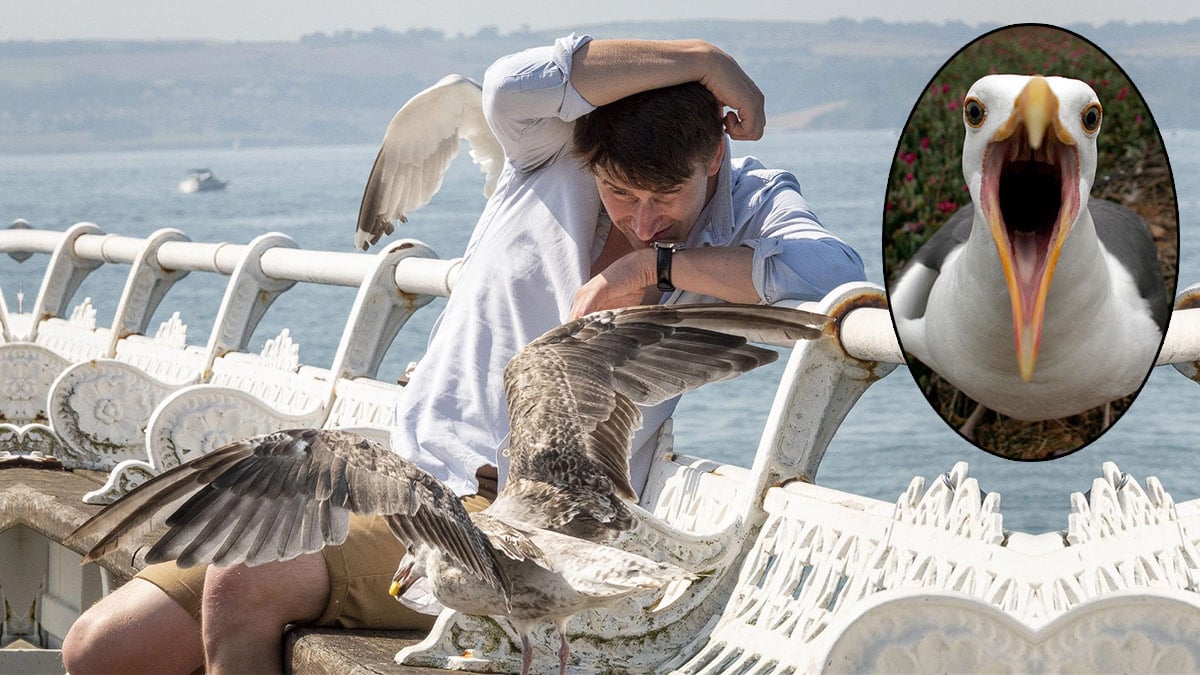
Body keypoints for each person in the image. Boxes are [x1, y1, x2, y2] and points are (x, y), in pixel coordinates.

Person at [62, 34, 864, 674]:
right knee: (100, 650)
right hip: (406, 478)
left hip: (521, 530)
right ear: (589, 154)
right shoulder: (543, 156)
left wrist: (650, 268)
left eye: (668, 201)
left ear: (714, 161)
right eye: (623, 194)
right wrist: (706, 60)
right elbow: (515, 80)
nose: (645, 216)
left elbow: (835, 276)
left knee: (241, 587)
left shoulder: (748, 202)